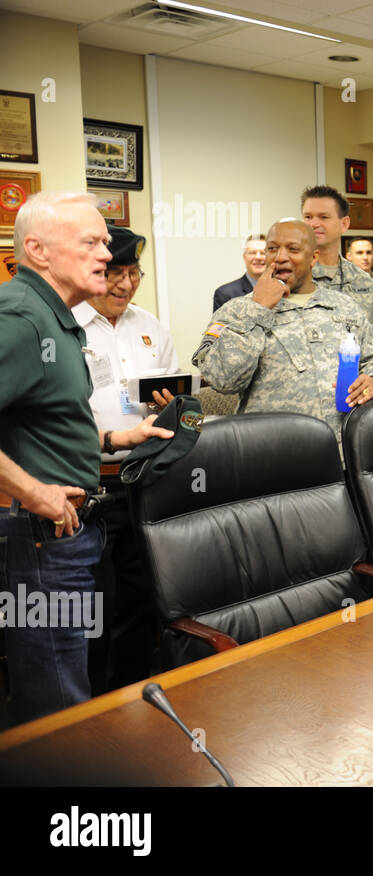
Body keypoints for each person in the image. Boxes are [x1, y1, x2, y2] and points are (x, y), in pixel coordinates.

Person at [0, 192, 171, 725]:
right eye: (91, 242)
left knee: (75, 677)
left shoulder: (53, 315)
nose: (105, 253)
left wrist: (113, 440)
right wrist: (33, 492)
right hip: (38, 536)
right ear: (38, 250)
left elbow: (41, 415)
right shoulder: (22, 317)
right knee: (55, 696)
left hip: (70, 532)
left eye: (106, 240)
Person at [72, 225, 178, 694]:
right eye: (115, 272)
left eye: (134, 272)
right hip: (88, 483)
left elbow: (174, 405)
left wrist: (166, 407)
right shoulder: (66, 327)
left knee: (141, 599)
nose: (125, 284)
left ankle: (135, 695)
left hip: (146, 480)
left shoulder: (150, 327)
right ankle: (92, 707)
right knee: (93, 604)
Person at [194, 219, 373, 446]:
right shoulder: (237, 310)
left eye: (293, 249)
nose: (280, 257)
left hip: (345, 452)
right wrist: (257, 310)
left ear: (314, 258)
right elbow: (223, 380)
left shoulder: (345, 306)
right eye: (272, 249)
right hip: (274, 455)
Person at [300, 185, 373, 327]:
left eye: (324, 217)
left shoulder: (362, 281)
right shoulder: (292, 277)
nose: (314, 224)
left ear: (344, 224)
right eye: (308, 217)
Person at [211, 233, 266, 311]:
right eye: (252, 253)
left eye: (263, 253)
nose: (258, 257)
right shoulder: (225, 294)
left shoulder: (282, 291)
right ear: (244, 257)